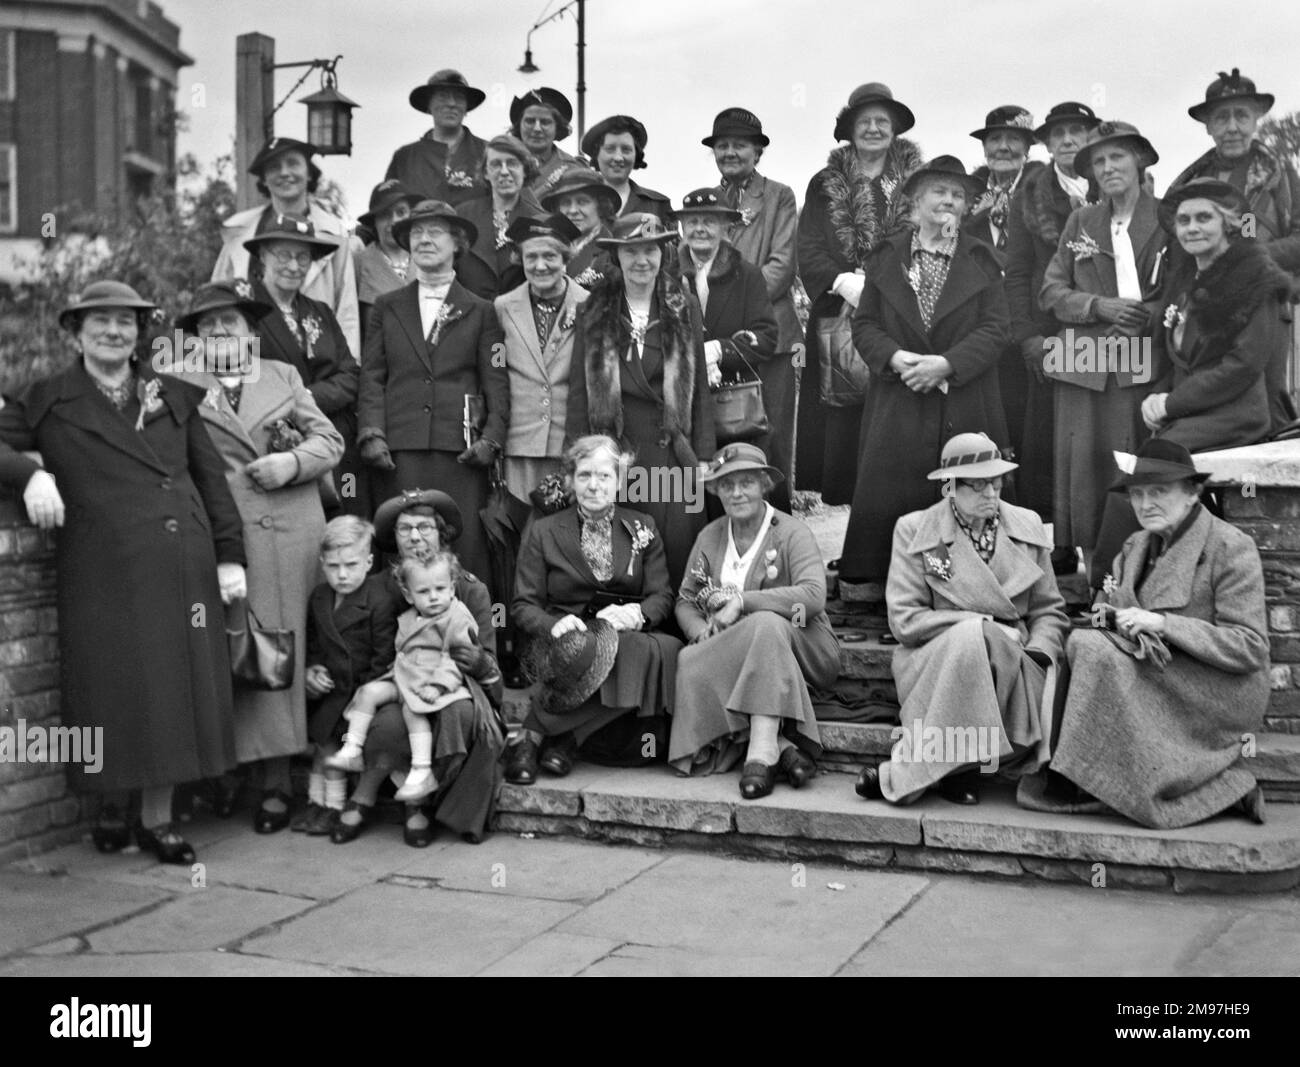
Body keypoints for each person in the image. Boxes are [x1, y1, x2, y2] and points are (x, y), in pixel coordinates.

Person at [0, 281, 246, 864]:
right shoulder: (46, 399)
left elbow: (211, 479)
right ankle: (111, 806)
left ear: (139, 335)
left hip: (178, 562)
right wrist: (31, 477)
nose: (114, 331)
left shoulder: (174, 394)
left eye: (125, 323)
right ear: (75, 333)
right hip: (100, 566)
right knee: (107, 688)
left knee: (170, 691)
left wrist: (230, 555)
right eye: (101, 321)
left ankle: (158, 819)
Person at [1020, 440, 1269, 829]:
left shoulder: (1230, 547)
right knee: (1081, 642)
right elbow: (1112, 611)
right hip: (1155, 671)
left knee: (1095, 652)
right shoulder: (1135, 546)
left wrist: (1164, 624)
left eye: (1159, 491)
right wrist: (1106, 617)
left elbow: (1249, 647)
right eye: (1137, 494)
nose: (1145, 504)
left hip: (1212, 688)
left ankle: (1088, 780)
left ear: (1193, 493)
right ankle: (1078, 774)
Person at [176, 280, 344, 833]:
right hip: (224, 536)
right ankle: (225, 774)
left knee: (283, 650)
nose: (220, 332)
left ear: (250, 331)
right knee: (229, 651)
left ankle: (276, 782)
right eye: (208, 325)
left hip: (292, 535)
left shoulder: (283, 375)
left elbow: (330, 441)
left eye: (231, 322)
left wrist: (290, 463)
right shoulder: (177, 385)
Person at [855, 434, 1067, 805]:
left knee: (981, 643)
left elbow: (1049, 610)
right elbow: (905, 620)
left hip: (1014, 665)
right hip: (935, 659)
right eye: (978, 484)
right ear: (950, 486)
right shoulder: (916, 529)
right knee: (971, 639)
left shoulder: (1027, 526)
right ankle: (957, 769)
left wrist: (1038, 653)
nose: (991, 493)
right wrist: (981, 624)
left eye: (997, 482)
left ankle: (923, 772)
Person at [838, 156, 1011, 584]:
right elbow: (865, 324)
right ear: (916, 201)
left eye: (958, 195)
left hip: (964, 398)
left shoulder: (983, 260)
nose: (949, 201)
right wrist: (896, 358)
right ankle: (885, 585)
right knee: (892, 496)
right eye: (939, 191)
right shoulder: (885, 257)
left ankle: (971, 584)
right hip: (900, 395)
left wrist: (947, 365)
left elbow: (996, 328)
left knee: (966, 487)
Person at [331, 489, 505, 847]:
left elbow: (491, 669)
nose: (414, 537)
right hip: (393, 681)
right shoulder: (376, 589)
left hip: (453, 686)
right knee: (388, 721)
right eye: (404, 529)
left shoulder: (468, 590)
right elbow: (359, 654)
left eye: (425, 528)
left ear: (442, 534)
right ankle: (375, 794)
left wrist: (480, 662)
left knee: (457, 714)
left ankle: (418, 800)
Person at [669, 444, 840, 798]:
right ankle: (781, 743)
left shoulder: (791, 532)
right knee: (689, 658)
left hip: (803, 641)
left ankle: (761, 749)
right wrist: (699, 631)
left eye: (746, 482)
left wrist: (743, 602)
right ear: (716, 491)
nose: (736, 493)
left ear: (764, 485)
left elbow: (812, 597)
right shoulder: (710, 535)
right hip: (738, 650)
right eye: (726, 485)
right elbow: (686, 599)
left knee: (766, 624)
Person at [1039, 120, 1168, 587]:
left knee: (1129, 462)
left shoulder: (1168, 218)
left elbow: (1183, 291)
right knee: (1083, 472)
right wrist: (1096, 305)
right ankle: (1094, 581)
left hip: (1140, 357)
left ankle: (1136, 577)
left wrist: (1147, 315)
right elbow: (1051, 291)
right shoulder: (1082, 221)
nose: (1109, 167)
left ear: (1140, 161)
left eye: (1118, 157)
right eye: (1099, 161)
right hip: (1082, 361)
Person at [507, 435, 681, 783]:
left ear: (619, 481)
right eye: (584, 475)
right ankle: (550, 740)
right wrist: (552, 625)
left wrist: (638, 615)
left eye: (604, 476)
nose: (594, 485)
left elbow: (662, 595)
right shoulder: (544, 531)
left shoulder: (643, 526)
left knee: (662, 649)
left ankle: (550, 738)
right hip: (568, 636)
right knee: (601, 648)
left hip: (623, 633)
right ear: (570, 480)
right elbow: (523, 604)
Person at [357, 199, 509, 585]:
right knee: (404, 547)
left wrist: (491, 439)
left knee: (464, 549)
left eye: (435, 232)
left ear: (457, 243)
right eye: (416, 233)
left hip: (461, 455)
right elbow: (372, 376)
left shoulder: (482, 311)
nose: (424, 240)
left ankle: (472, 622)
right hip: (399, 452)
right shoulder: (386, 307)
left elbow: (496, 381)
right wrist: (372, 434)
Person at [566, 213, 715, 585]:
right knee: (625, 549)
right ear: (617, 256)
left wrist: (704, 454)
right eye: (631, 252)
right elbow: (579, 390)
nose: (642, 260)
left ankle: (682, 617)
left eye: (650, 250)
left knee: (679, 545)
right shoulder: (594, 309)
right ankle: (632, 615)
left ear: (663, 254)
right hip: (618, 451)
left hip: (673, 451)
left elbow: (699, 385)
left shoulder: (684, 305)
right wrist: (577, 455)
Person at [796, 83, 923, 506]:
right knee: (847, 426)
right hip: (841, 316)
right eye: (864, 121)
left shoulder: (918, 183)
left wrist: (896, 284)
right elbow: (809, 248)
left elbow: (932, 240)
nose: (873, 128)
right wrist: (842, 282)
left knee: (902, 419)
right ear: (850, 129)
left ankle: (903, 529)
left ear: (894, 129)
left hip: (906, 312)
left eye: (881, 121)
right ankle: (857, 529)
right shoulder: (824, 184)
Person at [1004, 101, 1100, 550]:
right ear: (1046, 143)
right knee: (1055, 441)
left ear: (1090, 136)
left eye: (1076, 131)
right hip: (1052, 333)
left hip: (1110, 331)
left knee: (1105, 435)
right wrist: (1027, 336)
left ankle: (1105, 545)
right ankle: (1057, 549)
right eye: (1057, 133)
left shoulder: (1113, 182)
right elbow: (1017, 272)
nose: (1067, 140)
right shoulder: (1030, 193)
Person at [1144, 178, 1294, 448]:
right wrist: (1155, 399)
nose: (1192, 228)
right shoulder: (1183, 284)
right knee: (1144, 463)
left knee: (1154, 461)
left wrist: (1172, 403)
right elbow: (1179, 362)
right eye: (1184, 220)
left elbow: (1245, 364)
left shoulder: (1256, 280)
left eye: (1204, 218)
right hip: (1191, 414)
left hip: (1237, 417)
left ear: (1228, 224)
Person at [328, 552, 486, 802]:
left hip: (431, 681)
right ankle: (353, 748)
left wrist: (438, 685)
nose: (433, 597)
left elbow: (455, 657)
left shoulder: (457, 616)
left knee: (413, 711)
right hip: (404, 676)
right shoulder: (411, 617)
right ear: (409, 595)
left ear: (452, 588)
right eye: (423, 591)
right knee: (368, 693)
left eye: (440, 589)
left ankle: (422, 770)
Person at [704, 107, 800, 507]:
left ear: (757, 152)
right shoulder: (707, 202)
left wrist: (736, 310)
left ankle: (777, 522)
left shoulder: (779, 196)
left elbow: (782, 264)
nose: (730, 152)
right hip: (718, 342)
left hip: (770, 338)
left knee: (769, 434)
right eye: (722, 145)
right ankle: (726, 521)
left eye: (740, 145)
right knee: (723, 434)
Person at [244, 212, 359, 515]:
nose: (294, 266)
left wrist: (306, 396)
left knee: (343, 518)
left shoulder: (320, 312)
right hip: (276, 445)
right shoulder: (243, 312)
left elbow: (350, 375)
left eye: (303, 257)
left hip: (334, 441)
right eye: (283, 255)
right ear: (262, 256)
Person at [673, 188, 778, 512]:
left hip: (735, 412)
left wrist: (720, 350)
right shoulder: (667, 274)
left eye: (709, 221)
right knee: (687, 501)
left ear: (725, 227)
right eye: (692, 222)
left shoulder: (747, 274)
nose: (700, 229)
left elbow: (767, 337)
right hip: (685, 408)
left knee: (737, 497)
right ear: (682, 227)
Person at [212, 137, 359, 360]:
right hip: (251, 361)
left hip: (313, 363)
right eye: (274, 167)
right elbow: (216, 300)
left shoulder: (333, 233)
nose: (284, 172)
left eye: (293, 163)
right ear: (264, 179)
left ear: (309, 173)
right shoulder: (239, 232)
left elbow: (347, 311)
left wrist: (348, 368)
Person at [299, 516, 398, 835]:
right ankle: (315, 802)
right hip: (326, 690)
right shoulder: (319, 597)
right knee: (320, 749)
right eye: (333, 566)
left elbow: (383, 658)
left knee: (331, 751)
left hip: (355, 697)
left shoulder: (379, 602)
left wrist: (363, 695)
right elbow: (313, 643)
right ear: (322, 564)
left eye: (351, 565)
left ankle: (333, 806)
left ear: (368, 562)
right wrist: (312, 668)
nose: (342, 575)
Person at [495, 213, 592, 503]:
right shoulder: (502, 308)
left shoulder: (589, 305)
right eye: (531, 257)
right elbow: (495, 368)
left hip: (570, 444)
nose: (540, 266)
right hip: (519, 443)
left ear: (565, 259)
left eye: (549, 256)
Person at [1171, 68, 1300, 275]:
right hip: (1207, 289)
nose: (1232, 128)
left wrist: (1251, 257)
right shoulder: (1192, 183)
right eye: (1222, 118)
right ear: (1208, 127)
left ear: (1255, 122)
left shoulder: (1281, 174)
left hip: (1270, 286)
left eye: (1241, 116)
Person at [457, 134, 546, 297]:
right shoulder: (463, 216)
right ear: (486, 173)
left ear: (525, 170)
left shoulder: (539, 221)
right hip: (470, 310)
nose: (504, 171)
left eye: (512, 163)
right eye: (496, 164)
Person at [385, 69, 489, 206]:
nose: (451, 103)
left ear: (467, 107)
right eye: (442, 96)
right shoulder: (404, 158)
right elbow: (387, 208)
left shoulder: (488, 153)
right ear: (429, 105)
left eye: (459, 97)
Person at [964, 106, 1039, 258]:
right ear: (984, 148)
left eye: (1013, 138)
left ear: (1027, 148)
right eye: (995, 139)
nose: (1003, 147)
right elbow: (944, 236)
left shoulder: (1044, 193)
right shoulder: (965, 196)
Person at [355, 180, 423, 338]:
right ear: (374, 221)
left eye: (401, 212)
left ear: (411, 217)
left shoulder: (426, 260)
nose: (394, 221)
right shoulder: (359, 263)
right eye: (385, 214)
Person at [582, 115, 672, 223]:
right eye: (610, 149)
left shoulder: (658, 206)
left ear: (636, 155)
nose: (618, 158)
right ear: (596, 155)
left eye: (626, 150)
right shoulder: (576, 204)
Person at [541, 166, 620, 286]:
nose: (573, 210)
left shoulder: (611, 256)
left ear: (601, 206)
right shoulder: (545, 245)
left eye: (582, 202)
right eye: (566, 203)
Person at [510, 87, 581, 199]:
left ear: (558, 128)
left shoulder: (572, 168)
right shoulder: (499, 162)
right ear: (519, 126)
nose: (537, 128)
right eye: (530, 121)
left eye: (545, 122)